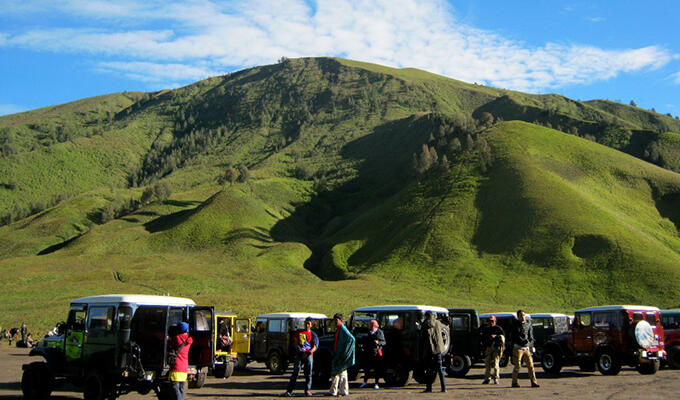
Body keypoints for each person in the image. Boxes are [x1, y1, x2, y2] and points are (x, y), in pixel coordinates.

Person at [283, 317, 319, 397]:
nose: (307, 325)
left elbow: (316, 346)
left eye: (308, 323)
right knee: (295, 373)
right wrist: (299, 349)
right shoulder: (299, 332)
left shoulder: (313, 334)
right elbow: (294, 342)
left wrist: (309, 352)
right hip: (299, 355)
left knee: (308, 373)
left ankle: (307, 390)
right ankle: (289, 391)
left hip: (309, 355)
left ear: (311, 325)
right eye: (306, 323)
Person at [509, 310, 539, 388]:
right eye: (521, 316)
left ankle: (534, 381)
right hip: (518, 347)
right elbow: (516, 336)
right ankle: (514, 382)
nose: (523, 317)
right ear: (518, 317)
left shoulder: (528, 324)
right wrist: (524, 341)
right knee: (518, 365)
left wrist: (530, 340)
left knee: (531, 365)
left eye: (524, 315)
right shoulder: (515, 325)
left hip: (526, 347)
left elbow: (530, 334)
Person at [419, 311, 447, 393]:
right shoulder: (438, 323)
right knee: (440, 369)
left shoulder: (425, 324)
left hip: (429, 350)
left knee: (428, 370)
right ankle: (443, 387)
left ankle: (429, 387)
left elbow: (423, 337)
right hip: (438, 350)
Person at [329, 313, 355, 397]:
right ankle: (340, 391)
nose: (335, 322)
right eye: (334, 321)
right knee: (340, 373)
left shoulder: (343, 329)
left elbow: (351, 339)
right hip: (338, 355)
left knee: (338, 373)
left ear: (341, 321)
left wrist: (345, 352)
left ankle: (337, 391)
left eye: (336, 320)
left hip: (341, 356)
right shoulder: (339, 329)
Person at [168, 322, 193, 400]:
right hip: (184, 366)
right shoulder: (189, 339)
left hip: (176, 366)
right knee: (182, 388)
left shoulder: (176, 338)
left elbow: (169, 341)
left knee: (175, 387)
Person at [359, 319, 386, 390]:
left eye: (372, 325)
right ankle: (365, 382)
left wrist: (378, 343)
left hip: (376, 354)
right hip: (368, 353)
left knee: (376, 369)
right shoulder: (369, 332)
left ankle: (376, 383)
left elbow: (383, 342)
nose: (371, 326)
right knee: (366, 369)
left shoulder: (379, 332)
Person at [480, 315, 505, 385]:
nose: (491, 323)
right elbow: (483, 338)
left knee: (496, 364)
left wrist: (496, 337)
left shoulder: (498, 329)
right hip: (488, 348)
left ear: (495, 321)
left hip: (496, 348)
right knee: (487, 364)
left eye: (492, 321)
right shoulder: (486, 329)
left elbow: (502, 338)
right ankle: (487, 378)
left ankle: (496, 378)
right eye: (489, 321)